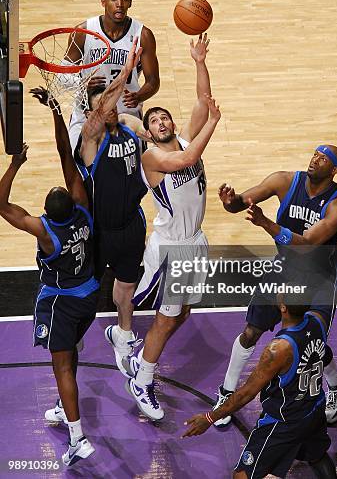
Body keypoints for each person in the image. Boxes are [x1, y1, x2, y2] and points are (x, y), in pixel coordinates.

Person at [213, 146, 337, 427]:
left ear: (335, 170)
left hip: (319, 279)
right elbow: (243, 201)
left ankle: (336, 385)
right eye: (315, 153)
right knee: (250, 332)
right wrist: (231, 202)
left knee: (311, 345)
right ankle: (227, 393)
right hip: (284, 269)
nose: (315, 159)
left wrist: (266, 223)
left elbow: (308, 244)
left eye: (324, 158)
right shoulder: (285, 181)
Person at [0, 91, 98, 467]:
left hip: (62, 301)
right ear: (71, 203)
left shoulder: (45, 232)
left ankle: (78, 438)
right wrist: (57, 110)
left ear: (46, 212)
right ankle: (63, 405)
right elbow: (65, 155)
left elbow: (2, 204)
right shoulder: (84, 210)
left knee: (60, 366)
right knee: (70, 353)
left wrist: (15, 164)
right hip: (90, 296)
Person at [126, 34, 220, 421]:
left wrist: (199, 61)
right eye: (154, 119)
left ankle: (140, 358)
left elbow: (202, 103)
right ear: (148, 131)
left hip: (195, 242)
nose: (161, 121)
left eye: (165, 117)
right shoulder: (153, 157)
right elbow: (187, 159)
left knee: (181, 316)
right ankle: (142, 378)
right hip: (172, 248)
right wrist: (212, 125)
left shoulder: (182, 139)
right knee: (167, 319)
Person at [183, 294, 337, 479]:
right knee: (317, 456)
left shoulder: (278, 349)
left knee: (242, 475)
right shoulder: (319, 320)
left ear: (283, 308)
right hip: (314, 410)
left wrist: (209, 417)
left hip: (284, 421)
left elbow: (245, 394)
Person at [74, 37, 150, 377]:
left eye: (116, 102)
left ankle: (124, 333)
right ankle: (73, 335)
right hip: (101, 229)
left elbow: (160, 141)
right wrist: (128, 70)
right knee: (88, 291)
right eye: (106, 104)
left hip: (132, 224)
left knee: (127, 287)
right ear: (93, 113)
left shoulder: (131, 129)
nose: (114, 106)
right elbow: (104, 105)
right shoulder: (90, 140)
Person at [67, 0, 159, 150]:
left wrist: (139, 96)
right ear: (103, 2)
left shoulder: (143, 35)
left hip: (125, 114)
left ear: (130, 3)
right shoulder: (82, 33)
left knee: (130, 172)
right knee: (79, 172)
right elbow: (61, 77)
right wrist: (82, 84)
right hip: (87, 113)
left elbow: (153, 81)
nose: (119, 4)